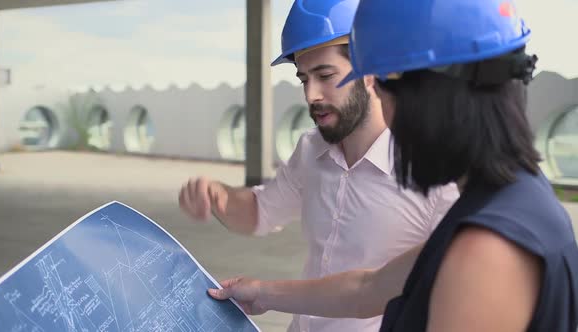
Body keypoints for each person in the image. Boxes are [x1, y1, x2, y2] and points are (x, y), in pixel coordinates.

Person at [208, 0, 578, 331]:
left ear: (428, 97)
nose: (388, 118)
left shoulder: (485, 252)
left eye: (385, 95)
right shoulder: (511, 199)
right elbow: (368, 288)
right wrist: (264, 293)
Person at [179, 1, 459, 331]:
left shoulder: (435, 171)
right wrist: (219, 196)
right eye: (303, 79)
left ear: (370, 70)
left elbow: (450, 291)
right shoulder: (311, 149)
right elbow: (260, 211)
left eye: (325, 76)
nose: (312, 95)